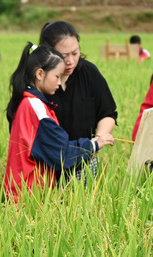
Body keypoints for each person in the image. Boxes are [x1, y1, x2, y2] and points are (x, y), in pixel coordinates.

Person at [4, 43, 114, 201]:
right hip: (26, 199)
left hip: (28, 194)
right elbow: (62, 154)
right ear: (40, 74)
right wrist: (95, 144)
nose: (59, 82)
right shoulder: (35, 108)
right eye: (57, 76)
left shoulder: (31, 103)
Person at [37, 21, 117, 179]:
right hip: (47, 166)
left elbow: (107, 113)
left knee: (84, 202)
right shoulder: (39, 80)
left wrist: (97, 142)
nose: (70, 61)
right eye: (63, 56)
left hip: (85, 161)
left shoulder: (89, 73)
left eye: (75, 53)